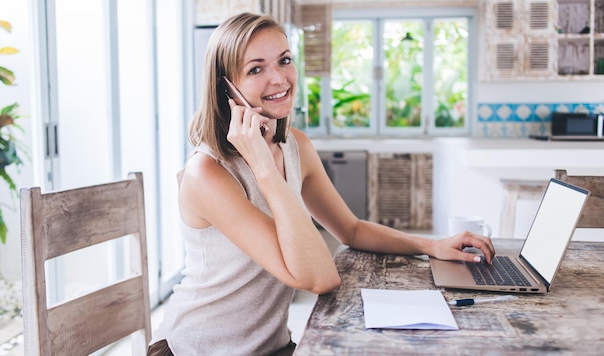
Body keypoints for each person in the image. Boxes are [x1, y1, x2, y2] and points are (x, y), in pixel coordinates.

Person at [148, 12, 495, 356]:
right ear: (226, 88)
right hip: (198, 349)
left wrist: (432, 245)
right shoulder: (208, 174)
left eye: (284, 60)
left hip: (271, 347)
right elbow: (318, 277)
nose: (279, 78)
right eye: (256, 69)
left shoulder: (296, 146)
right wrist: (265, 169)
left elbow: (352, 230)